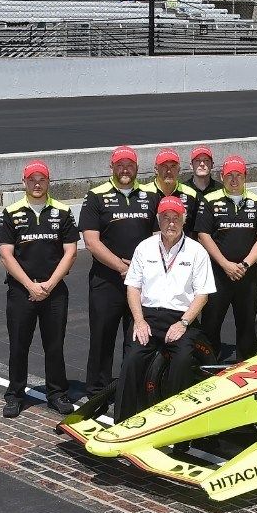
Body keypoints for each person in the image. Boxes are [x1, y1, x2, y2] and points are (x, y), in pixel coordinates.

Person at [114, 196, 215, 422]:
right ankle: (123, 422)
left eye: (176, 218)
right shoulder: (144, 247)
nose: (171, 223)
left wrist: (183, 323)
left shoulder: (197, 251)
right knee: (131, 360)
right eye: (166, 217)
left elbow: (203, 294)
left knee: (181, 363)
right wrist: (138, 321)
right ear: (158, 220)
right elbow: (133, 287)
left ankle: (175, 423)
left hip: (181, 319)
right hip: (147, 316)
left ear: (184, 220)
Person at [0, 161, 79, 418]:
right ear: (24, 182)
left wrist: (49, 285)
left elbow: (71, 251)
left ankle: (57, 393)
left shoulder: (63, 211)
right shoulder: (11, 212)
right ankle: (14, 395)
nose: (36, 184)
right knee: (18, 345)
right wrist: (30, 285)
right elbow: (5, 255)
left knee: (54, 345)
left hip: (54, 290)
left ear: (48, 182)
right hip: (22, 291)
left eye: (41, 179)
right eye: (31, 179)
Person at [79, 146, 157, 400]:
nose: (125, 169)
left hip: (141, 280)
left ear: (137, 167)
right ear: (111, 167)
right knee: (102, 336)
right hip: (107, 280)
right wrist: (122, 267)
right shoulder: (95, 196)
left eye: (130, 165)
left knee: (136, 335)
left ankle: (129, 386)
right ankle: (97, 391)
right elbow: (91, 241)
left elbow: (158, 237)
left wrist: (139, 268)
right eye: (120, 165)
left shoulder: (149, 195)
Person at [195, 155, 257, 361]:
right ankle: (208, 366)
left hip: (247, 274)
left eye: (238, 175)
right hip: (218, 274)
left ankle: (246, 367)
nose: (234, 179)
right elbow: (203, 235)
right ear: (222, 176)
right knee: (211, 322)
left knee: (246, 323)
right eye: (229, 175)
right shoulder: (210, 201)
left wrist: (245, 264)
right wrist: (225, 264)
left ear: (245, 176)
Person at [140, 148, 199, 235]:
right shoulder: (143, 193)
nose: (168, 171)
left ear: (179, 169)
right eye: (164, 166)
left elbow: (196, 230)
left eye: (173, 166)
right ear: (156, 169)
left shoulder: (191, 194)